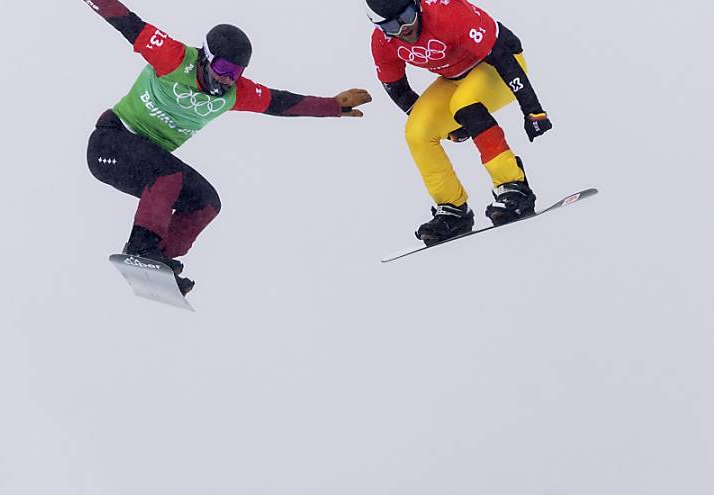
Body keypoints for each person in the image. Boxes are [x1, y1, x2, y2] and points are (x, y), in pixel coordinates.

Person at [85, 0, 372, 295]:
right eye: (222, 68)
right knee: (167, 175)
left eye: (235, 73)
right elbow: (126, 21)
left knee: (205, 203)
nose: (226, 79)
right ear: (206, 58)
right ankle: (140, 249)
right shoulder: (172, 57)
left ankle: (157, 261)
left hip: (145, 161)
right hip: (112, 141)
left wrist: (333, 107)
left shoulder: (235, 94)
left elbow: (280, 102)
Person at [364, 0, 553, 245]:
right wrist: (445, 127)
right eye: (391, 26)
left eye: (408, 16)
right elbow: (397, 89)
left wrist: (533, 110)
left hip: (498, 64)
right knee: (417, 132)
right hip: (456, 77)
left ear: (417, 5)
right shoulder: (382, 43)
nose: (404, 29)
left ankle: (513, 186)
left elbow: (503, 58)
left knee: (464, 105)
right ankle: (452, 210)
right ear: (379, 27)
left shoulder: (447, 12)